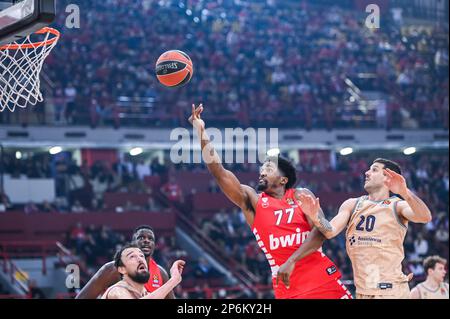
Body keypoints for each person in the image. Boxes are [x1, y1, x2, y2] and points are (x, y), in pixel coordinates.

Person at [189, 104, 351, 299]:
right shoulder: (253, 202)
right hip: (287, 286)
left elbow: (320, 233)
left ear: (283, 180)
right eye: (262, 169)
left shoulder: (300, 195)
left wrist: (291, 260)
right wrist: (201, 131)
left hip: (321, 278)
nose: (262, 171)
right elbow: (219, 172)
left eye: (269, 168)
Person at [277, 158, 432, 299]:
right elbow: (329, 231)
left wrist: (405, 193)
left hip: (391, 291)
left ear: (387, 177)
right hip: (363, 292)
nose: (367, 172)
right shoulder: (352, 204)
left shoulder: (397, 205)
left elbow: (425, 217)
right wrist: (315, 217)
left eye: (374, 169)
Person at [76, 225, 177, 299]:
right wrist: (174, 280)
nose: (146, 241)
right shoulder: (112, 269)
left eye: (150, 239)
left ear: (155, 245)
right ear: (133, 243)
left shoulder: (160, 272)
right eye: (141, 238)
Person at [101, 243, 184, 299]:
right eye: (132, 256)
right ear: (122, 269)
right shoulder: (116, 291)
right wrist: (174, 280)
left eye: (141, 255)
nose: (140, 259)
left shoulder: (146, 294)